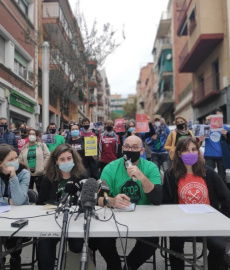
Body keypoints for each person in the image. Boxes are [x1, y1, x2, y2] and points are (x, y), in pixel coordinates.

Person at [162, 137, 230, 270]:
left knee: (219, 248)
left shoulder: (208, 172)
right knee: (175, 247)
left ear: (198, 152)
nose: (191, 153)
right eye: (186, 150)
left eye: (194, 149)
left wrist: (221, 218)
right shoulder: (171, 175)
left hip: (209, 223)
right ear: (179, 153)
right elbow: (166, 201)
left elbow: (227, 198)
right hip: (181, 223)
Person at [96, 135, 162, 270]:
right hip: (115, 218)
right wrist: (112, 201)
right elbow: (99, 198)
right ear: (122, 149)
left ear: (142, 151)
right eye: (127, 147)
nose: (130, 150)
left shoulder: (151, 168)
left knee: (152, 241)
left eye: (135, 147)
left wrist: (142, 177)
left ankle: (129, 266)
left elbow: (157, 199)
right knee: (101, 239)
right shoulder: (110, 168)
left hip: (144, 218)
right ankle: (114, 265)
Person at [37, 144, 87, 270]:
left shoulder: (83, 177)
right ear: (56, 161)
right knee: (45, 244)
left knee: (77, 247)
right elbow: (40, 202)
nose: (66, 162)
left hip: (76, 221)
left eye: (69, 158)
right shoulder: (48, 179)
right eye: (62, 159)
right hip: (53, 220)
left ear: (74, 159)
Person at [19, 129, 50, 193]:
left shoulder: (42, 145)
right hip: (28, 174)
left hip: (40, 174)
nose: (31, 136)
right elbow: (20, 159)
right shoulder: (24, 147)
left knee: (42, 193)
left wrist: (43, 166)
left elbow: (48, 156)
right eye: (30, 134)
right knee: (28, 193)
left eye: (33, 134)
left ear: (36, 136)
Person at [204, 109, 229, 183]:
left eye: (221, 116)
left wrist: (225, 135)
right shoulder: (207, 127)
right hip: (209, 155)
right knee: (208, 176)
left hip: (222, 155)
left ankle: (222, 193)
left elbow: (228, 141)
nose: (219, 117)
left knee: (222, 177)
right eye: (217, 116)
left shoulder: (225, 127)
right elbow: (203, 136)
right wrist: (206, 123)